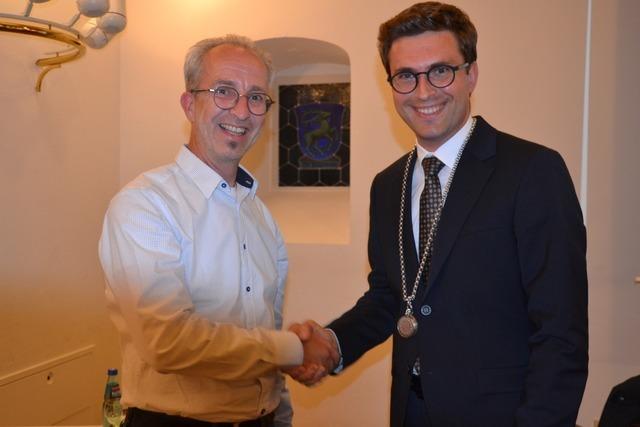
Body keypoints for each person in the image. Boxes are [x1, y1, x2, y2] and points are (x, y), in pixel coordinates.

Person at [288, 2, 588, 426]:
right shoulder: (387, 185)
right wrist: (334, 343)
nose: (424, 92)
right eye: (406, 76)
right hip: (410, 411)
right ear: (391, 85)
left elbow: (561, 332)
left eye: (440, 71)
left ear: (471, 74)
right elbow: (392, 297)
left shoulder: (532, 171)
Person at [99, 35, 336, 427]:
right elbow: (168, 342)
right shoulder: (144, 205)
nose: (241, 111)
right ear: (189, 104)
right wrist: (294, 348)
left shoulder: (261, 217)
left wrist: (281, 416)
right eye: (224, 91)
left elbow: (266, 336)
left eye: (256, 97)